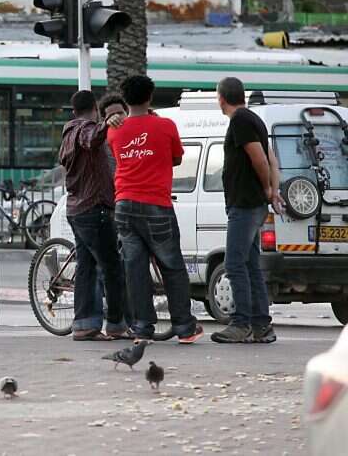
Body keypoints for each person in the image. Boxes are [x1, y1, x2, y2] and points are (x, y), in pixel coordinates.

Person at [108, 75, 203, 344]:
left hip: (124, 204)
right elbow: (176, 157)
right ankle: (184, 327)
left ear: (124, 99)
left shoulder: (114, 131)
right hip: (157, 205)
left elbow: (117, 155)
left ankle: (141, 329)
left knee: (135, 269)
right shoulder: (166, 125)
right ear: (150, 97)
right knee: (172, 266)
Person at [212, 77, 283, 344]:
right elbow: (273, 159)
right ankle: (262, 326)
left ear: (221, 98)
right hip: (252, 204)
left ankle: (241, 323)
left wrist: (266, 188)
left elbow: (260, 158)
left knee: (234, 263)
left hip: (245, 204)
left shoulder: (240, 121)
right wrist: (273, 191)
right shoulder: (255, 120)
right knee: (251, 264)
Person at [58, 90, 129, 342]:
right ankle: (117, 324)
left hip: (77, 209)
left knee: (87, 266)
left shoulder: (67, 132)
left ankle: (84, 325)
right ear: (95, 110)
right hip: (93, 210)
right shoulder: (83, 129)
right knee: (112, 266)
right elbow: (91, 138)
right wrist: (105, 125)